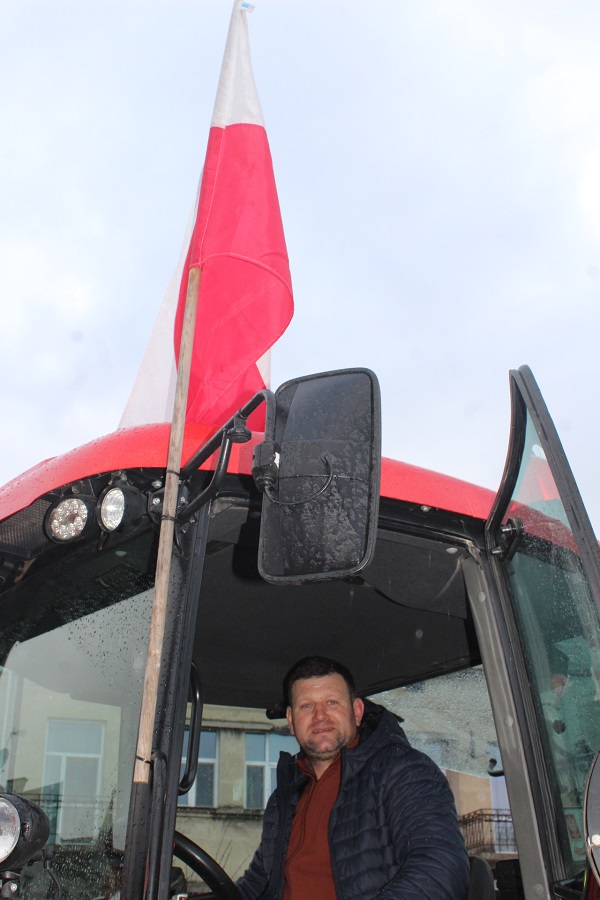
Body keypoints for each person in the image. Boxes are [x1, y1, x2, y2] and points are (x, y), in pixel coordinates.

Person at [237, 656, 470, 899]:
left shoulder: (403, 772)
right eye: (306, 706)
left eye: (331, 702)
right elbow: (258, 884)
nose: (319, 716)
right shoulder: (284, 798)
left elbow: (440, 870)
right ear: (291, 721)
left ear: (357, 712)